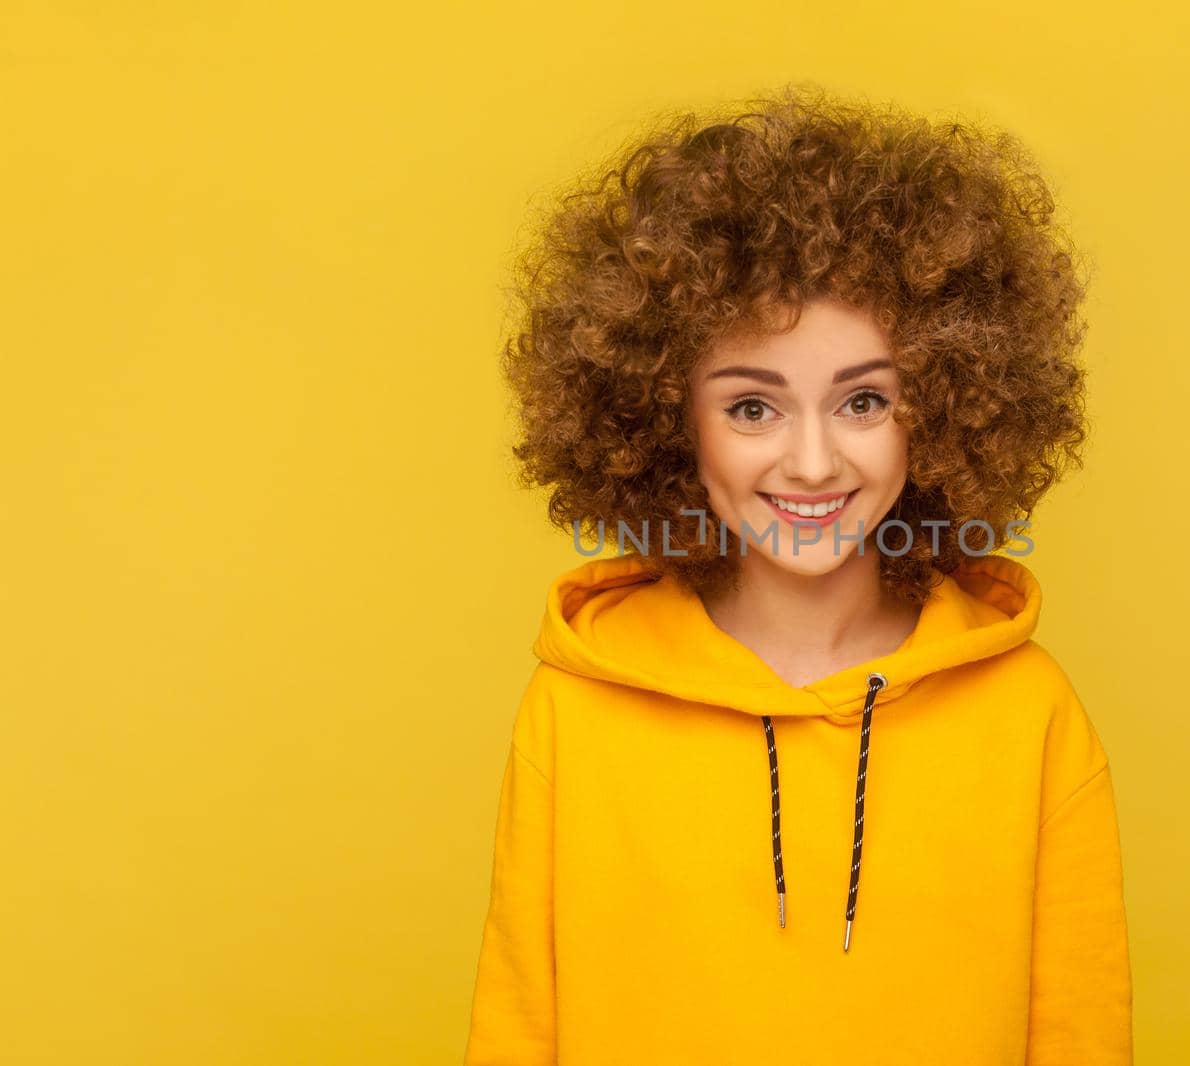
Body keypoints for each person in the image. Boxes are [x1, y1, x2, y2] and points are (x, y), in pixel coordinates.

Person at [464, 83, 1132, 1065]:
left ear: (942, 408)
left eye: (862, 401)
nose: (813, 462)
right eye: (751, 409)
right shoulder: (574, 710)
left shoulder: (1029, 713)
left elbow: (1080, 1037)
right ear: (664, 420)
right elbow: (519, 1031)